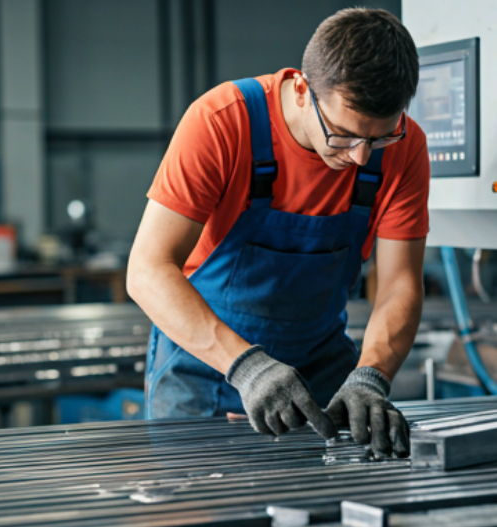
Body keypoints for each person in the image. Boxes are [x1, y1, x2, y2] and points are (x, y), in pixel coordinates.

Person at [127, 7, 429, 458]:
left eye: (380, 137)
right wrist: (246, 367)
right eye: (344, 136)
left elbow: (400, 283)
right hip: (204, 373)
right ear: (304, 91)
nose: (362, 158)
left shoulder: (405, 147)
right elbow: (148, 270)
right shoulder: (222, 122)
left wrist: (371, 375)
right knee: (200, 517)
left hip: (322, 379)